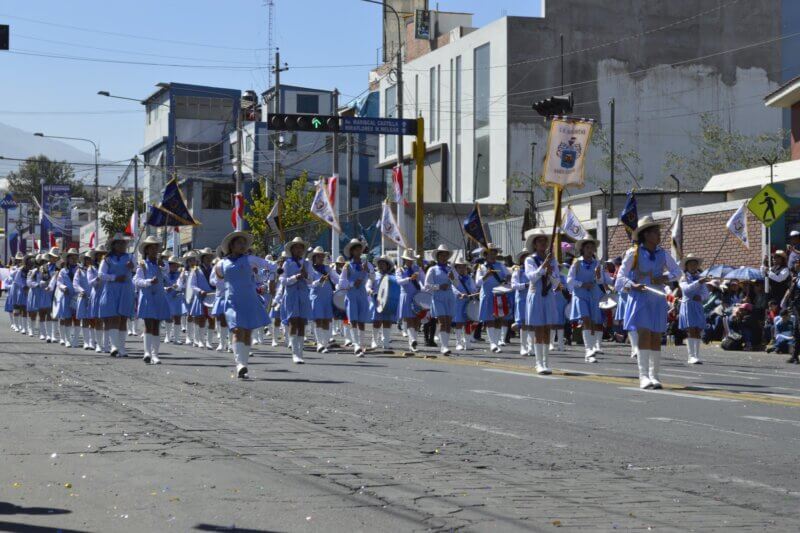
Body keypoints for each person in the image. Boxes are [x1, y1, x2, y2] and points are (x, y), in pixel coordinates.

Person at [616, 215, 682, 389]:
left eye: (658, 231)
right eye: (654, 232)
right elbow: (620, 278)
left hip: (657, 298)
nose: (658, 235)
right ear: (645, 235)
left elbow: (677, 272)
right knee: (644, 334)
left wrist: (664, 277)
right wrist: (633, 285)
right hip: (640, 297)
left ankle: (655, 375)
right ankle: (643, 376)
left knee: (655, 336)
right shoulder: (634, 253)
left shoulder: (663, 253)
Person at [215, 231, 271, 379]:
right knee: (237, 329)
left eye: (243, 243)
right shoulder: (222, 263)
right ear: (231, 245)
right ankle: (239, 363)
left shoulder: (251, 259)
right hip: (233, 301)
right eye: (239, 242)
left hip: (250, 299)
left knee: (247, 331)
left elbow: (269, 266)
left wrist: (267, 275)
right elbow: (216, 280)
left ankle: (244, 364)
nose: (242, 245)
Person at [567, 238, 611, 363]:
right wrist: (582, 284)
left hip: (593, 295)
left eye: (592, 248)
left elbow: (602, 281)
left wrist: (598, 275)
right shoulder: (576, 263)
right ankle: (589, 350)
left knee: (592, 322)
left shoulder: (597, 264)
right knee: (585, 319)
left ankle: (590, 352)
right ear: (583, 249)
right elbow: (570, 280)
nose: (590, 250)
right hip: (580, 295)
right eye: (588, 248)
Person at [524, 230, 560, 374]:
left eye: (545, 241)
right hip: (536, 295)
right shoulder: (530, 260)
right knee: (539, 329)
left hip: (548, 296)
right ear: (534, 244)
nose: (543, 244)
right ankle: (539, 363)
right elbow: (532, 277)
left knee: (547, 329)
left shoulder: (553, 260)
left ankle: (546, 362)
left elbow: (557, 281)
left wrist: (551, 272)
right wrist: (543, 268)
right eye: (540, 241)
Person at [133, 236, 171, 364]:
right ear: (147, 250)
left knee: (156, 326)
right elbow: (137, 281)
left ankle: (155, 354)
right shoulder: (142, 265)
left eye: (156, 247)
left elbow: (167, 275)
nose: (155, 250)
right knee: (149, 325)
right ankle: (147, 353)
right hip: (148, 297)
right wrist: (149, 282)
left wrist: (162, 266)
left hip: (159, 296)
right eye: (152, 248)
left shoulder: (162, 264)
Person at [97, 233, 136, 358]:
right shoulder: (107, 259)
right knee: (114, 317)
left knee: (123, 318)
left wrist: (132, 267)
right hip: (112, 289)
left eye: (124, 243)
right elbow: (100, 274)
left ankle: (122, 348)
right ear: (114, 245)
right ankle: (114, 346)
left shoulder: (131, 257)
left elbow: (137, 271)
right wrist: (114, 277)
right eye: (119, 243)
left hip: (126, 289)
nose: (122, 245)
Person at [281, 236, 312, 364]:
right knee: (293, 322)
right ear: (292, 249)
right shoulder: (286, 263)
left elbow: (311, 280)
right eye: (297, 247)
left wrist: (305, 275)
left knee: (302, 322)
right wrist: (295, 277)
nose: (299, 250)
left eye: (301, 247)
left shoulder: (307, 263)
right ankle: (295, 353)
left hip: (303, 294)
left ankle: (300, 352)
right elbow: (283, 281)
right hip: (291, 295)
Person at [338, 238, 371, 357]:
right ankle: (356, 344)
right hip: (351, 295)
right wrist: (352, 284)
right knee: (353, 320)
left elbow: (371, 279)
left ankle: (362, 345)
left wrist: (367, 272)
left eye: (360, 249)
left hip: (362, 294)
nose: (359, 251)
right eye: (356, 249)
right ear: (352, 251)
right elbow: (341, 283)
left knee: (362, 320)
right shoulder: (347, 266)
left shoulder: (365, 265)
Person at [476, 243, 511, 353]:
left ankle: (496, 342)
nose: (493, 255)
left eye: (494, 253)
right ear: (485, 255)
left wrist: (507, 278)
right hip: (487, 294)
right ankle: (492, 343)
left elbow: (508, 276)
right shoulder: (481, 267)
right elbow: (477, 282)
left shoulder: (501, 266)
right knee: (489, 319)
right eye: (490, 253)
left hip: (499, 294)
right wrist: (487, 275)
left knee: (499, 319)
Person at [424, 245, 457, 356]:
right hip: (438, 297)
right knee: (442, 321)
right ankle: (443, 347)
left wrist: (453, 278)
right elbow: (427, 286)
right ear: (437, 257)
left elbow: (457, 284)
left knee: (448, 322)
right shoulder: (432, 269)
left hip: (449, 297)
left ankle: (446, 345)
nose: (444, 257)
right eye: (441, 255)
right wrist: (438, 287)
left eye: (445, 255)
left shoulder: (451, 269)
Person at [678, 254, 709, 365]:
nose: (693, 266)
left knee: (697, 330)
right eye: (691, 264)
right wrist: (698, 283)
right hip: (688, 305)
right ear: (687, 266)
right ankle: (691, 356)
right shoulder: (683, 277)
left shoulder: (700, 277)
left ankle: (696, 355)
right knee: (691, 330)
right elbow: (686, 290)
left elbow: (706, 293)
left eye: (695, 264)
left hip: (698, 305)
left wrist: (701, 297)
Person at [308, 246, 338, 353]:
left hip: (327, 296)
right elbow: (309, 285)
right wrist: (319, 281)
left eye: (322, 256)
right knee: (318, 319)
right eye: (319, 256)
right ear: (314, 257)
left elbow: (337, 280)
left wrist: (338, 273)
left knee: (327, 320)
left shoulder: (328, 268)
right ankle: (319, 343)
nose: (321, 258)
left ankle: (325, 343)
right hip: (316, 297)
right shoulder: (310, 269)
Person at [188, 248, 216, 349]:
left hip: (212, 296)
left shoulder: (214, 269)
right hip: (201, 296)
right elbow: (192, 285)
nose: (209, 259)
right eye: (207, 257)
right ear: (203, 258)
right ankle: (200, 340)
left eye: (210, 257)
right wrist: (200, 291)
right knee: (201, 319)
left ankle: (209, 342)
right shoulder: (196, 269)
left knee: (212, 319)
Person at [396, 249, 423, 352]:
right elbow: (399, 282)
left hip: (417, 295)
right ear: (404, 260)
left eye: (411, 260)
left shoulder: (417, 268)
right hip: (406, 295)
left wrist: (424, 290)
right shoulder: (400, 270)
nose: (410, 261)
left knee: (417, 320)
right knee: (410, 319)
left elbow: (422, 280)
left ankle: (414, 341)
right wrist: (409, 279)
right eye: (408, 260)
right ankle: (412, 342)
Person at [367, 255, 396, 351]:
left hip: (388, 302)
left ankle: (386, 342)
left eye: (383, 263)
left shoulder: (391, 277)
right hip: (377, 301)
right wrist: (370, 291)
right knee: (377, 321)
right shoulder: (374, 275)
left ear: (387, 265)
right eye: (380, 263)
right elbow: (368, 285)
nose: (381, 265)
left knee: (387, 321)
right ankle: (374, 341)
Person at [452, 257, 477, 351]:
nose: (462, 269)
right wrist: (460, 294)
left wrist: (473, 293)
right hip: (458, 302)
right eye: (460, 267)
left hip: (468, 301)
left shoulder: (469, 278)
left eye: (464, 267)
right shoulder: (455, 279)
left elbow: (473, 288)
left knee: (468, 322)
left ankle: (467, 343)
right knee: (459, 322)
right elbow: (453, 289)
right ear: (456, 268)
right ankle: (458, 343)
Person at [88, 245, 108, 353]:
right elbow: (90, 282)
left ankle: (106, 344)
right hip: (96, 294)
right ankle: (99, 344)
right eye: (100, 254)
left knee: (108, 320)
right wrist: (97, 278)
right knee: (98, 320)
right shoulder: (91, 268)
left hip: (108, 294)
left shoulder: (108, 266)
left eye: (104, 254)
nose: (102, 256)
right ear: (96, 256)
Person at [73, 252, 95, 350]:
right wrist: (81, 290)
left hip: (94, 297)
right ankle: (86, 342)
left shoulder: (95, 270)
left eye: (90, 259)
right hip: (83, 296)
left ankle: (92, 341)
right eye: (87, 259)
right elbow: (75, 283)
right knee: (85, 319)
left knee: (94, 320)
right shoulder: (79, 271)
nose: (88, 261)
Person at [510, 250, 530, 356]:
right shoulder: (518, 271)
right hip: (522, 298)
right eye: (525, 257)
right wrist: (526, 285)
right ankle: (523, 346)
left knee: (533, 322)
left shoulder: (535, 269)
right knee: (523, 323)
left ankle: (531, 346)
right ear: (521, 259)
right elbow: (514, 285)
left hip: (533, 298)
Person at [163, 256, 185, 345]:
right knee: (168, 317)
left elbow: (182, 285)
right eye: (172, 265)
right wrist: (165, 288)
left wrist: (178, 287)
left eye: (176, 265)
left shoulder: (180, 274)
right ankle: (167, 336)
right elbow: (160, 285)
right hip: (167, 296)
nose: (174, 267)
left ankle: (177, 338)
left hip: (177, 296)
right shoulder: (164, 274)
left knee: (177, 317)